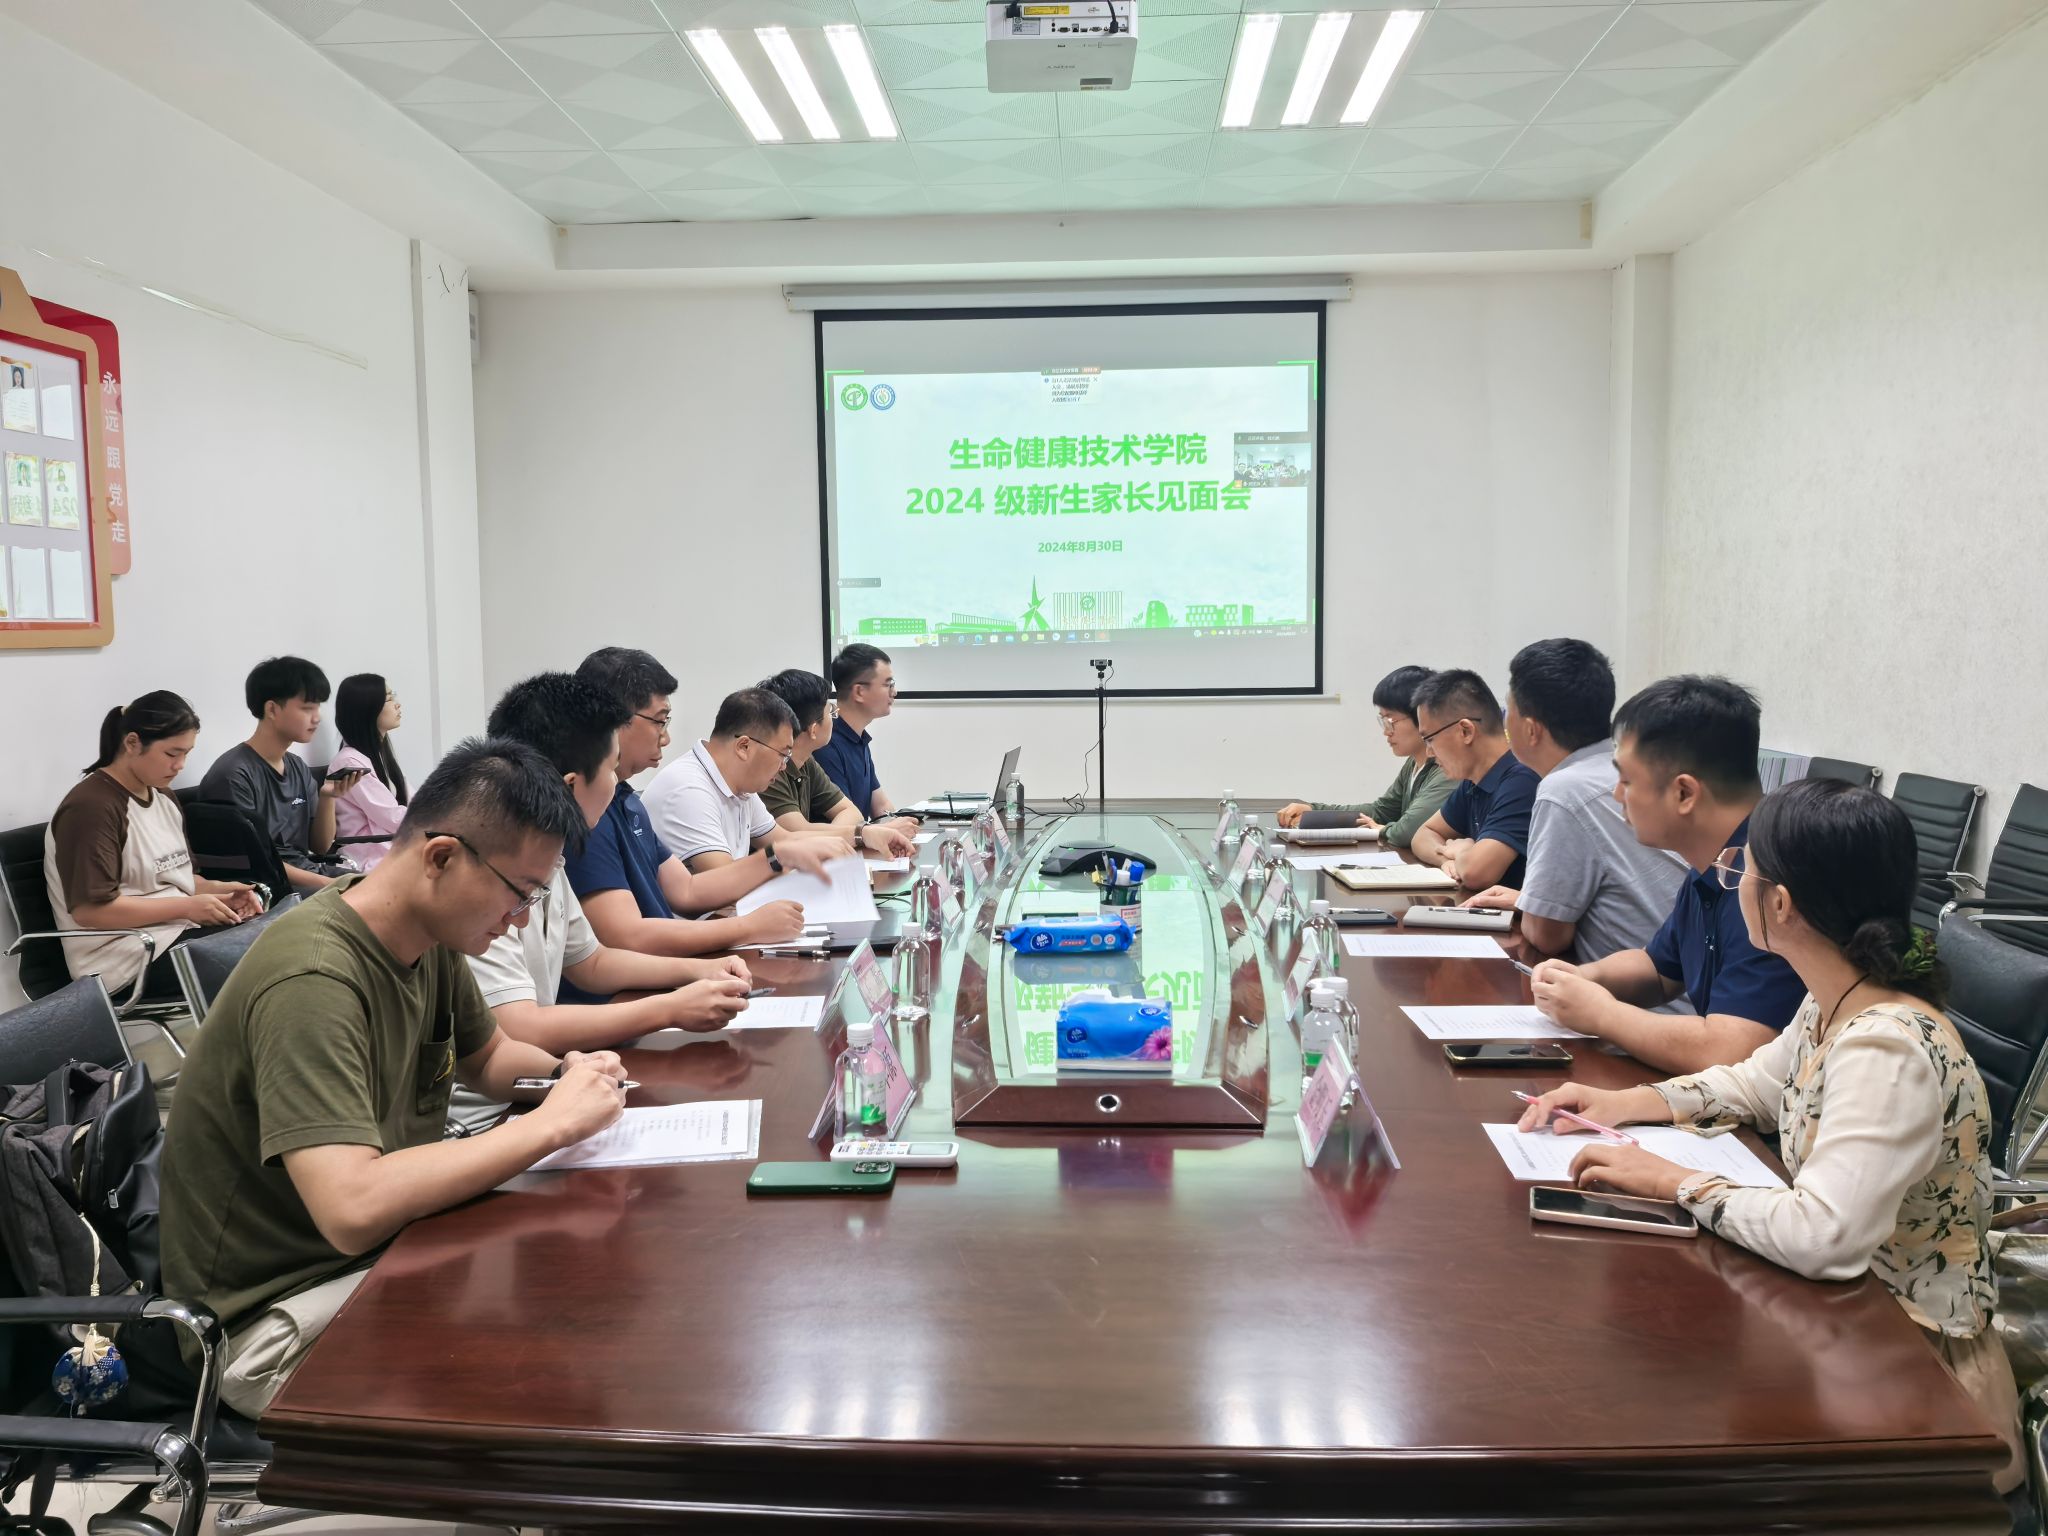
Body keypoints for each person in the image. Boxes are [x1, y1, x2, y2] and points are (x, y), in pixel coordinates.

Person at [1517, 777, 2023, 1491]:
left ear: (1779, 905)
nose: (1733, 884)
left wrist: (1675, 1183)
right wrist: (1627, 1102)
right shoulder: (1834, 999)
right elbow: (1755, 1084)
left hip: (1915, 1381)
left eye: (1742, 871)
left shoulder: (1885, 1047)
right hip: (1841, 1329)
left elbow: (1823, 1236)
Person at [160, 738, 631, 1417]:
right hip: (278, 1316)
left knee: (578, 1298)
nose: (521, 919)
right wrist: (552, 1125)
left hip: (382, 1254)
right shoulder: (314, 979)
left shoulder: (427, 934)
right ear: (441, 857)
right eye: (519, 894)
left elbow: (490, 1058)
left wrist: (567, 1073)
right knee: (541, 1375)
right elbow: (351, 1208)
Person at [1527, 676, 1808, 1073]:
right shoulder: (1716, 861)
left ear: (1684, 794)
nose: (1617, 795)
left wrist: (1602, 1014)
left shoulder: (1766, 879)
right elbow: (1659, 970)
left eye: (1626, 781)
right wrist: (1584, 977)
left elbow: (1731, 1051)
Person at [470, 673, 757, 1052]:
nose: (617, 782)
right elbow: (521, 1028)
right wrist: (668, 1009)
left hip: (549, 1066)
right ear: (570, 786)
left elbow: (591, 962)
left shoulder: (550, 857)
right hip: (521, 1078)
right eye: (612, 768)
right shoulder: (484, 874)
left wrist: (702, 970)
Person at [561, 648, 834, 967]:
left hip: (670, 964)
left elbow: (687, 891)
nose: (666, 738)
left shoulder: (627, 800)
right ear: (613, 721)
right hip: (647, 978)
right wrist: (746, 928)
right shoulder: (589, 811)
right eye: (659, 721)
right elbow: (628, 937)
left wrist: (777, 857)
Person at [1461, 639, 1686, 961]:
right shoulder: (1620, 769)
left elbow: (1547, 937)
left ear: (1531, 730)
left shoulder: (1564, 789)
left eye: (1508, 712)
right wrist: (1529, 900)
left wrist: (1536, 909)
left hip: (1632, 986)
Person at [45, 692, 262, 998]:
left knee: (284, 934)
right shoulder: (91, 807)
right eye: (172, 753)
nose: (180, 765)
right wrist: (189, 907)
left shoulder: (161, 795)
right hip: (123, 961)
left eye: (186, 754)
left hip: (174, 934)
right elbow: (90, 911)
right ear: (132, 743)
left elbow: (176, 879)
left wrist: (220, 892)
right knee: (269, 954)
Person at [642, 687, 853, 880]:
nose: (783, 766)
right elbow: (724, 879)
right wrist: (783, 858)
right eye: (783, 754)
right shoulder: (689, 789)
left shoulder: (741, 785)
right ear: (744, 746)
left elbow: (783, 839)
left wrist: (859, 835)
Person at [199, 656, 362, 892]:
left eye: (318, 707)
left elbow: (320, 847)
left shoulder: (297, 766)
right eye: (307, 708)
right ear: (272, 709)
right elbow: (258, 864)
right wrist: (332, 885)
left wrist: (328, 798)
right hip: (272, 887)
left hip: (308, 874)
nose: (317, 717)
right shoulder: (233, 775)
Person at [1275, 665, 1451, 848]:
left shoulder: (1448, 769)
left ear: (1422, 716)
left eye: (1390, 721)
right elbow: (1381, 812)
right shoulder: (1413, 763)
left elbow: (1406, 832)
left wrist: (1383, 829)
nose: (1386, 732)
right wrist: (1313, 811)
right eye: (1383, 721)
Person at [758, 669, 916, 856]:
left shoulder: (807, 762)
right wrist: (860, 834)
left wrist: (846, 835)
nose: (835, 716)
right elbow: (796, 833)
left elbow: (851, 812)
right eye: (830, 711)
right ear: (814, 730)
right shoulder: (771, 770)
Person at [1408, 670, 1540, 889]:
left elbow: (1476, 873)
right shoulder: (1474, 781)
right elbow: (1422, 836)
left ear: (1466, 731)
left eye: (1430, 739)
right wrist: (1448, 861)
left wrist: (1463, 851)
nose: (1429, 752)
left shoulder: (1522, 779)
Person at [328, 673, 408, 871]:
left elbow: (413, 800)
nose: (397, 704)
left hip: (390, 850)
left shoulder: (379, 755)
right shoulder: (350, 762)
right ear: (367, 709)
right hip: (370, 858)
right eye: (389, 699)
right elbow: (392, 818)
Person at [813, 643, 898, 819]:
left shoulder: (859, 738)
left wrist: (906, 825)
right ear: (859, 691)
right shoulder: (826, 743)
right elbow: (850, 821)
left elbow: (881, 806)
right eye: (888, 684)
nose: (894, 692)